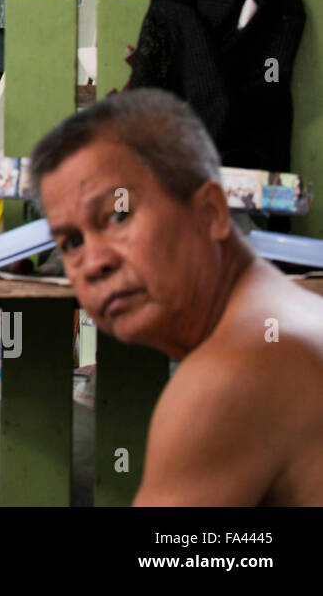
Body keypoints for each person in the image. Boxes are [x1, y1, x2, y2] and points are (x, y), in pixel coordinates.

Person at [30, 89, 323, 505]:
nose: (93, 263)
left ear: (211, 213)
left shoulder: (230, 377)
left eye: (118, 215)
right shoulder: (285, 320)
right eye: (71, 241)